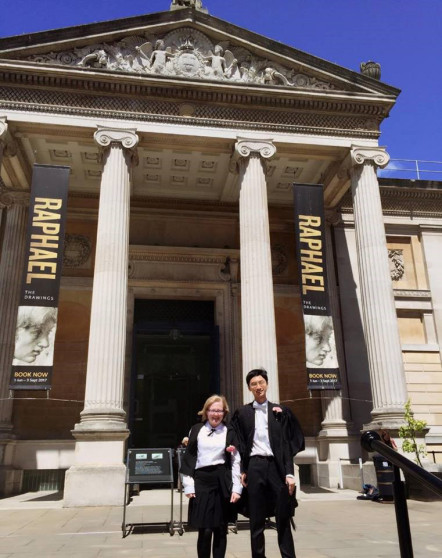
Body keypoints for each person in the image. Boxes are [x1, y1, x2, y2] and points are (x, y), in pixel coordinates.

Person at [231, 369, 305, 558]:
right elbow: (239, 443)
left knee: (283, 517)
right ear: (249, 388)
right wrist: (242, 469)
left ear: (267, 384)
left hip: (276, 468)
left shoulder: (280, 412)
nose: (258, 386)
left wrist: (290, 473)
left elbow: (286, 445)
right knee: (256, 520)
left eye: (261, 382)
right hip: (255, 466)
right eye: (254, 384)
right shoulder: (243, 413)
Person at [180, 395, 242, 558]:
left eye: (219, 411)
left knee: (221, 529)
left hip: (222, 481)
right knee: (205, 530)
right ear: (206, 411)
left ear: (224, 412)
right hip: (201, 482)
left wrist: (237, 488)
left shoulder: (230, 431)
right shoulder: (196, 430)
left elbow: (236, 460)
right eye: (213, 410)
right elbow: (189, 458)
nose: (216, 414)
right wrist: (188, 484)